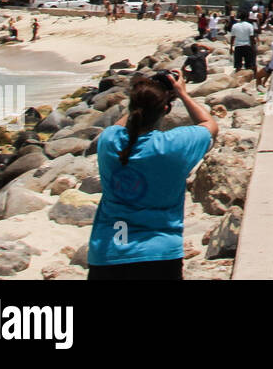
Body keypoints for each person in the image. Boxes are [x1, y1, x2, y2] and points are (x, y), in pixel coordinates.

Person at [87, 70, 218, 279]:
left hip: (108, 254)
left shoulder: (109, 141)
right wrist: (182, 94)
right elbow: (209, 126)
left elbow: (121, 125)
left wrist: (145, 95)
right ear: (166, 109)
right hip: (160, 254)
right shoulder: (173, 145)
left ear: (132, 107)